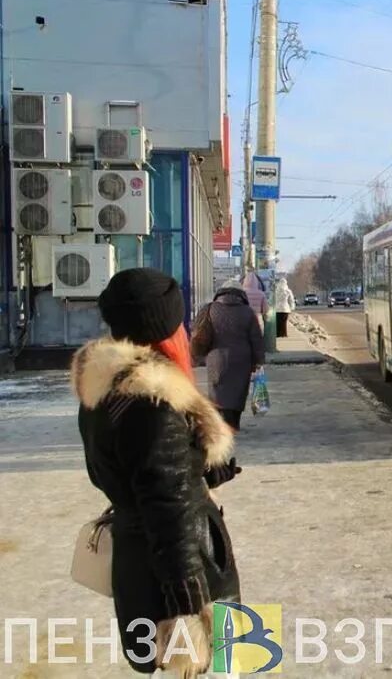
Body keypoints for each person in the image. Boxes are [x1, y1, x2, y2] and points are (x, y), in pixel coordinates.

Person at [72, 268, 240, 676]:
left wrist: (194, 465)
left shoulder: (103, 386)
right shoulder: (154, 407)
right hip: (185, 578)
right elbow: (169, 515)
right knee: (223, 665)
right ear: (166, 328)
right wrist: (190, 613)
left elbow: (130, 472)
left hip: (137, 565)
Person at [192, 279, 265, 430]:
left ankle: (219, 426)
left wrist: (197, 355)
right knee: (237, 394)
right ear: (241, 295)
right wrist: (259, 361)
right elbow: (256, 339)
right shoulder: (248, 312)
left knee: (217, 394)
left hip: (216, 360)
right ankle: (234, 425)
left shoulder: (210, 309)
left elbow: (199, 333)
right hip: (242, 362)